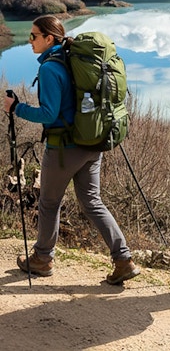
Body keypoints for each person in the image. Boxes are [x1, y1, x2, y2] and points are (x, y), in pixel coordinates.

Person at [3, 15, 140, 285]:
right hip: (91, 143)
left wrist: (16, 108)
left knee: (49, 203)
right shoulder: (73, 59)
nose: (29, 41)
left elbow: (48, 113)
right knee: (92, 201)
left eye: (34, 36)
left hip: (63, 148)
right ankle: (123, 259)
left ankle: (42, 258)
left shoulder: (50, 69)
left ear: (49, 38)